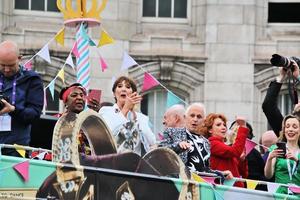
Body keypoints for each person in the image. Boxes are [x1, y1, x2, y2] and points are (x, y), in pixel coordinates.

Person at [160, 103, 233, 181]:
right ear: (185, 117)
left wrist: (220, 173)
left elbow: (205, 170)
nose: (195, 119)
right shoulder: (172, 132)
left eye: (199, 117)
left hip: (196, 187)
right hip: (177, 184)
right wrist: (178, 146)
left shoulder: (206, 142)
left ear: (204, 121)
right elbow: (160, 152)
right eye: (192, 115)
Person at [0, 41, 44, 156]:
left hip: (16, 147)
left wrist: (13, 110)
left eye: (10, 65)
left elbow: (35, 114)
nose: (6, 70)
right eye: (2, 65)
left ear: (19, 58)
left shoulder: (32, 80)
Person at [99, 76, 156, 156]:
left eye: (128, 87)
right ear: (114, 93)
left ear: (134, 93)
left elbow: (151, 142)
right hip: (111, 163)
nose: (123, 89)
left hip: (134, 165)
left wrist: (135, 115)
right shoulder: (106, 111)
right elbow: (108, 134)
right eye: (119, 86)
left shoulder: (141, 117)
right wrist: (125, 109)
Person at [200, 113, 248, 187]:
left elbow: (244, 175)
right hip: (224, 190)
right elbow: (235, 151)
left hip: (233, 190)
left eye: (224, 125)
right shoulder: (211, 143)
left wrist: (242, 160)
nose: (224, 128)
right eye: (218, 125)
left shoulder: (225, 147)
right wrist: (242, 127)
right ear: (210, 130)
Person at [262, 60, 300, 136]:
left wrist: (298, 77)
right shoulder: (285, 129)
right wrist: (281, 77)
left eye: (295, 127)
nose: (291, 130)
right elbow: (268, 106)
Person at [264, 114, 300, 194]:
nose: (290, 129)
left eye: (294, 127)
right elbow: (268, 175)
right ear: (284, 131)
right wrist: (269, 159)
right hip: (281, 195)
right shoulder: (276, 148)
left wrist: (297, 161)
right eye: (287, 127)